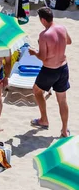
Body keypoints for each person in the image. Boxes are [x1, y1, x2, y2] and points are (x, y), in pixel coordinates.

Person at [29, 7, 72, 137]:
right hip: (63, 68)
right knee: (62, 100)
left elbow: (42, 57)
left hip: (49, 70)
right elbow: (69, 41)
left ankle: (44, 120)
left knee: (37, 91)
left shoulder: (44, 35)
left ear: (42, 20)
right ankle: (64, 130)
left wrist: (34, 52)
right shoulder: (62, 28)